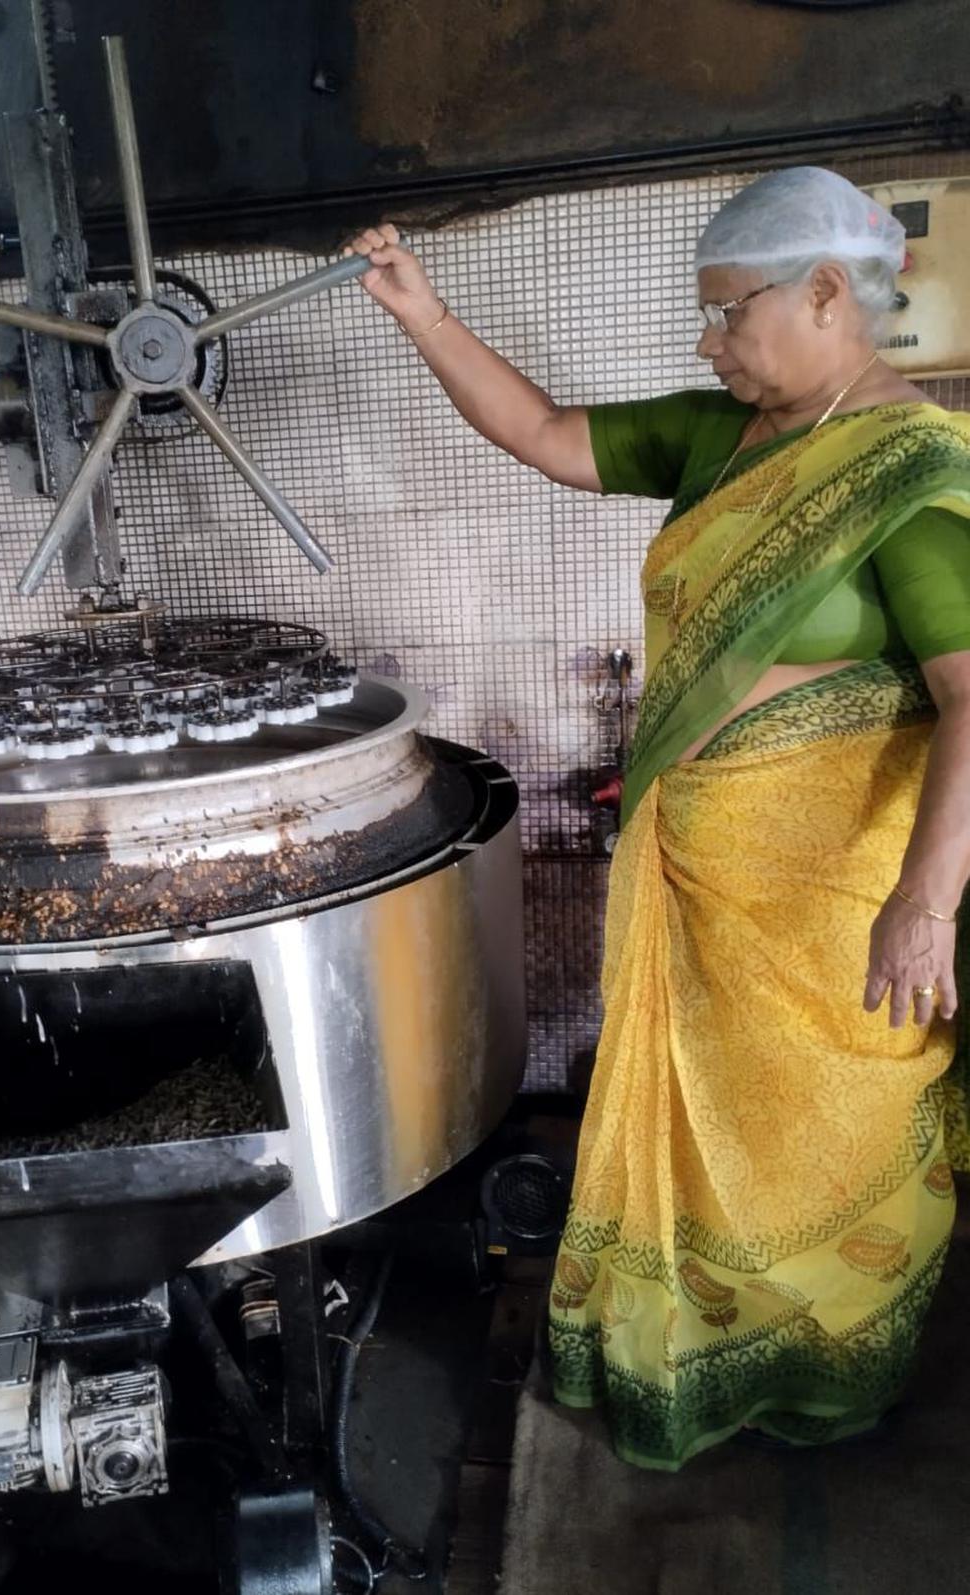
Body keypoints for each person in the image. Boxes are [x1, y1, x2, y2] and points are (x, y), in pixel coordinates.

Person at [346, 166, 970, 1470]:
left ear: (821, 296)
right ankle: (686, 1362)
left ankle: (822, 1384)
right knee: (694, 1148)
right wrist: (420, 309)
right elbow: (545, 436)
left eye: (727, 313)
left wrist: (926, 905)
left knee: (821, 1153)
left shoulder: (911, 476)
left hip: (831, 916)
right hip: (694, 888)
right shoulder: (717, 437)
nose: (708, 342)